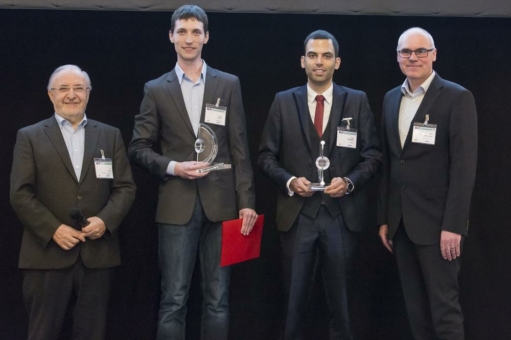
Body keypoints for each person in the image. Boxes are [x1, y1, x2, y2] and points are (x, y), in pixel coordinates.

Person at [128, 5, 257, 340]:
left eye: (196, 32)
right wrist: (173, 167)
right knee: (173, 299)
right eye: (182, 32)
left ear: (206, 37)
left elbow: (239, 148)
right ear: (171, 37)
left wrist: (247, 201)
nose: (189, 39)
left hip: (223, 205)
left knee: (218, 301)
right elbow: (138, 148)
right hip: (176, 203)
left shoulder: (228, 84)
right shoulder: (156, 89)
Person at [257, 30, 382, 340]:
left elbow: (373, 156)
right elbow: (265, 157)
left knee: (342, 304)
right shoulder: (283, 102)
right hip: (298, 216)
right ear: (303, 61)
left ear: (337, 62)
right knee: (294, 303)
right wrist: (288, 180)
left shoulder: (357, 100)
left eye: (326, 56)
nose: (319, 62)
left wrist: (350, 182)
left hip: (342, 216)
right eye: (313, 55)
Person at [10, 64, 136, 340]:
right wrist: (53, 229)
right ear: (50, 95)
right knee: (43, 332)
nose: (71, 94)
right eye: (63, 88)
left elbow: (125, 188)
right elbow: (20, 193)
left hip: (97, 254)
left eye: (78, 88)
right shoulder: (29, 136)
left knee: (92, 333)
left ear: (88, 93)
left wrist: (105, 220)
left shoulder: (110, 135)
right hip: (46, 255)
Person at [378, 27, 478, 340]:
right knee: (416, 312)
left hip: (439, 227)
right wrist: (384, 218)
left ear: (434, 55)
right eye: (406, 51)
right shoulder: (391, 98)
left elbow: (464, 168)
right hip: (401, 225)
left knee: (444, 311)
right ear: (397, 57)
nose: (414, 57)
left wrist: (454, 225)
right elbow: (391, 163)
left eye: (421, 51)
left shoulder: (456, 97)